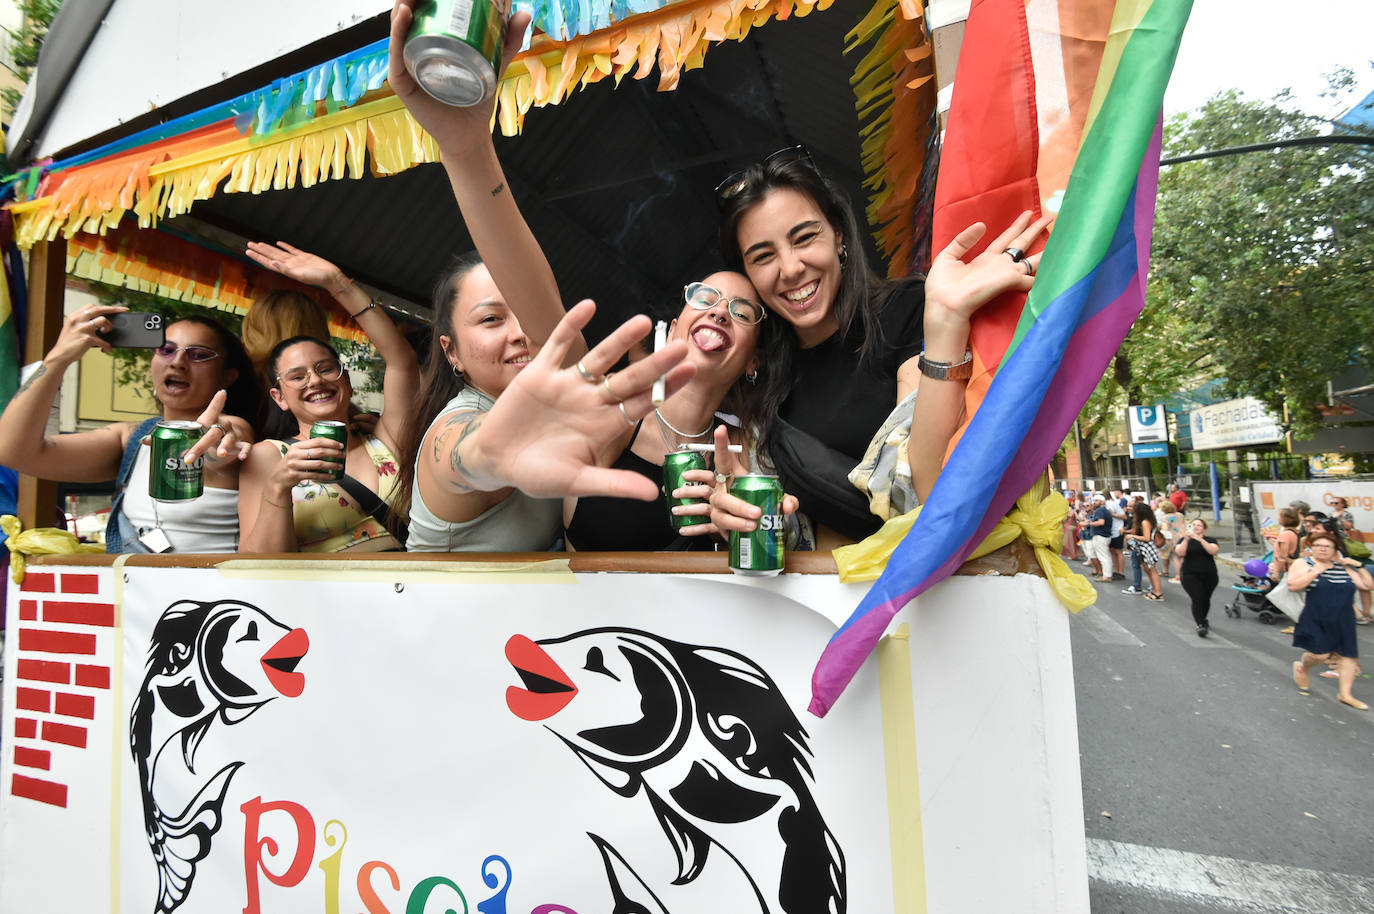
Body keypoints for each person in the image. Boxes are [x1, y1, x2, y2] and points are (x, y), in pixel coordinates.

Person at [386, 3, 789, 552]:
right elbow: (468, 455)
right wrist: (464, 150)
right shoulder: (548, 420)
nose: (720, 310)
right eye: (706, 296)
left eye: (743, 311)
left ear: (756, 356)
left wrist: (766, 530)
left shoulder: (753, 451)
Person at [712, 145, 1051, 545]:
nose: (790, 268)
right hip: (820, 602)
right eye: (763, 256)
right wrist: (738, 514)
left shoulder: (907, 311)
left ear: (838, 233)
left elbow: (928, 492)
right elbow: (785, 530)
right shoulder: (762, 374)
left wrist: (945, 320)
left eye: (804, 238)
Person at [0, 307, 257, 552]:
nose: (178, 362)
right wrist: (60, 356)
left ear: (228, 376)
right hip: (138, 594)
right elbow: (14, 450)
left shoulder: (234, 428)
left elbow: (226, 438)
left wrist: (218, 442)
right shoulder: (132, 438)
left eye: (198, 354)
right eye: (165, 350)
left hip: (214, 596)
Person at [236, 243, 419, 553]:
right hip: (324, 598)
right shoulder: (267, 457)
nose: (315, 380)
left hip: (408, 592)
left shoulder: (387, 437)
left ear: (346, 380)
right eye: (297, 376)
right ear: (279, 397)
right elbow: (256, 563)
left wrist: (338, 283)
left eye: (325, 369)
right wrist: (279, 485)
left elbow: (402, 360)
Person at [1288, 530, 1374, 710]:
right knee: (1321, 655)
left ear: (1335, 550)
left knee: (1348, 656)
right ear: (1312, 548)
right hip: (1316, 616)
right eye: (1318, 546)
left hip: (1344, 619)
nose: (1323, 550)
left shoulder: (1344, 568)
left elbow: (1367, 585)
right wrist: (1315, 572)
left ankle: (1345, 694)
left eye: (1327, 547)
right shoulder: (1304, 563)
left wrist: (1358, 565)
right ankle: (1302, 667)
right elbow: (1293, 586)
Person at [1174, 518, 1220, 637]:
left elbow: (1213, 551)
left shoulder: (1210, 540)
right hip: (1190, 574)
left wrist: (1200, 539)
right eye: (1193, 525)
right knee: (1197, 598)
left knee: (1205, 599)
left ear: (1204, 528)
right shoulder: (1184, 540)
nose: (1196, 527)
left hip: (1209, 575)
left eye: (1199, 525)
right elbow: (1180, 553)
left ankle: (1203, 619)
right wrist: (1186, 539)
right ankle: (1200, 624)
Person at [1123, 500, 1163, 599]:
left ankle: (1158, 592)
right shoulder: (1146, 521)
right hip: (1143, 548)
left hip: (1147, 548)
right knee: (1148, 570)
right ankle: (1154, 590)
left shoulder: (1145, 522)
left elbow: (1147, 538)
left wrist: (1133, 536)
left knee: (1152, 570)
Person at [1157, 500, 1185, 580]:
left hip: (1171, 538)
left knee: (1173, 557)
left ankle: (1178, 574)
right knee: (1181, 556)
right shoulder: (1180, 515)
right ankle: (1183, 572)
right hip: (1181, 536)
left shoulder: (1166, 517)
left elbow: (1165, 528)